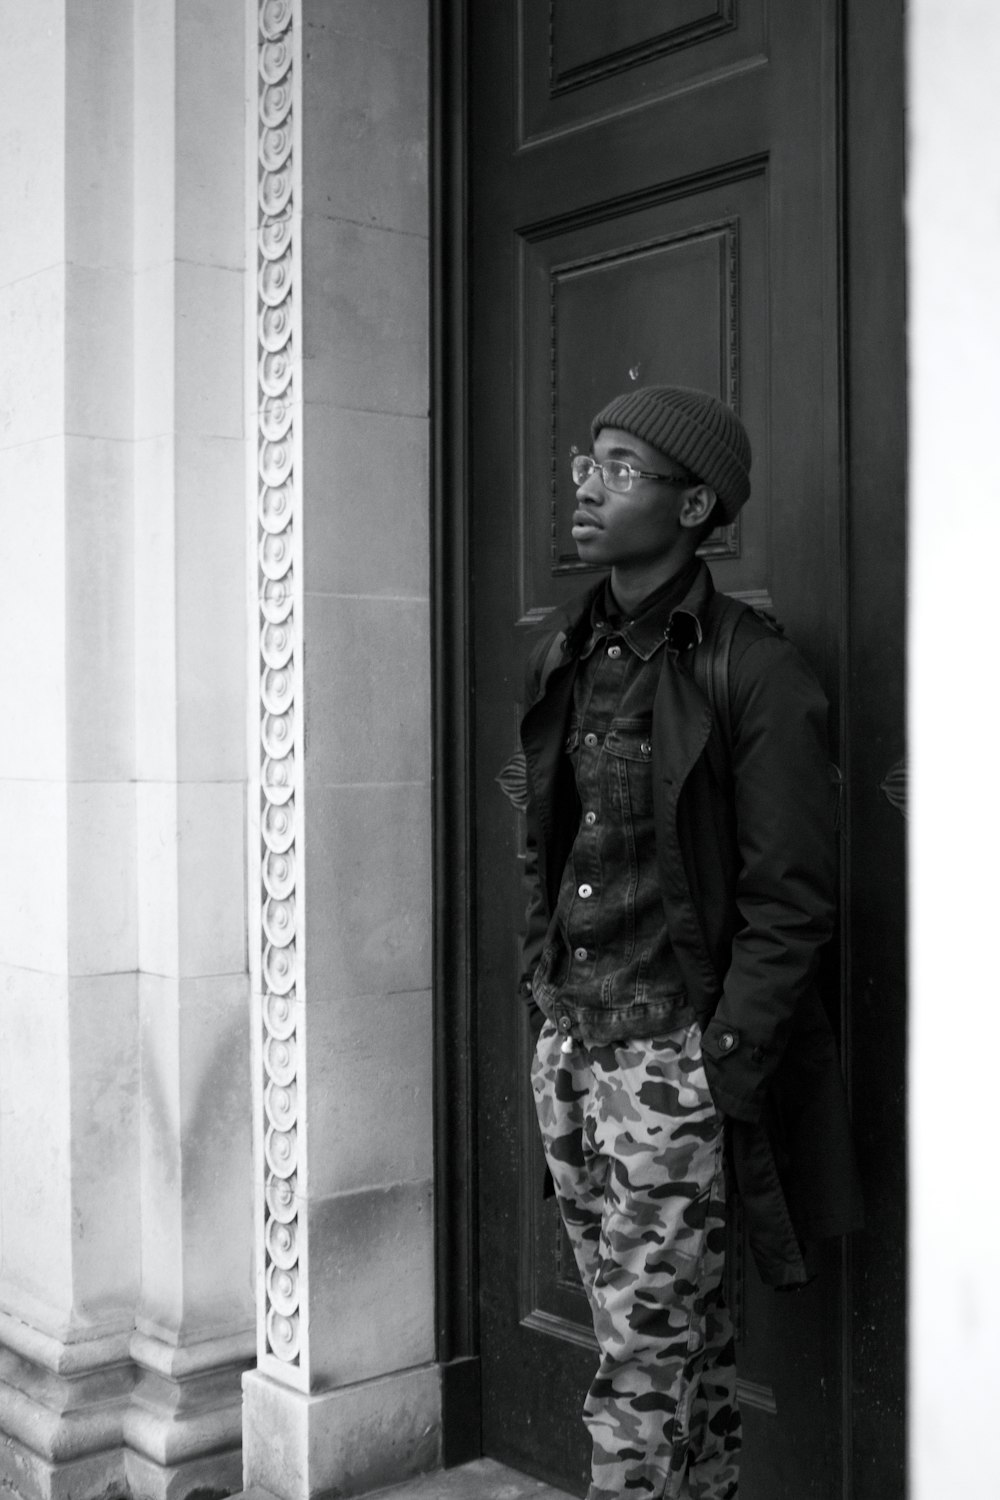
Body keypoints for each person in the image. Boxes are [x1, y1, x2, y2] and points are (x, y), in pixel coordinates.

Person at [517, 386, 862, 1500]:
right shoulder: (567, 653)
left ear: (695, 502)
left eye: (620, 468)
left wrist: (719, 1068)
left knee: (638, 1363)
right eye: (588, 460)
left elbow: (792, 898)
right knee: (682, 1352)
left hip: (673, 1065)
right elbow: (546, 843)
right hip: (572, 1045)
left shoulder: (751, 670)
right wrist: (542, 995)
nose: (584, 483)